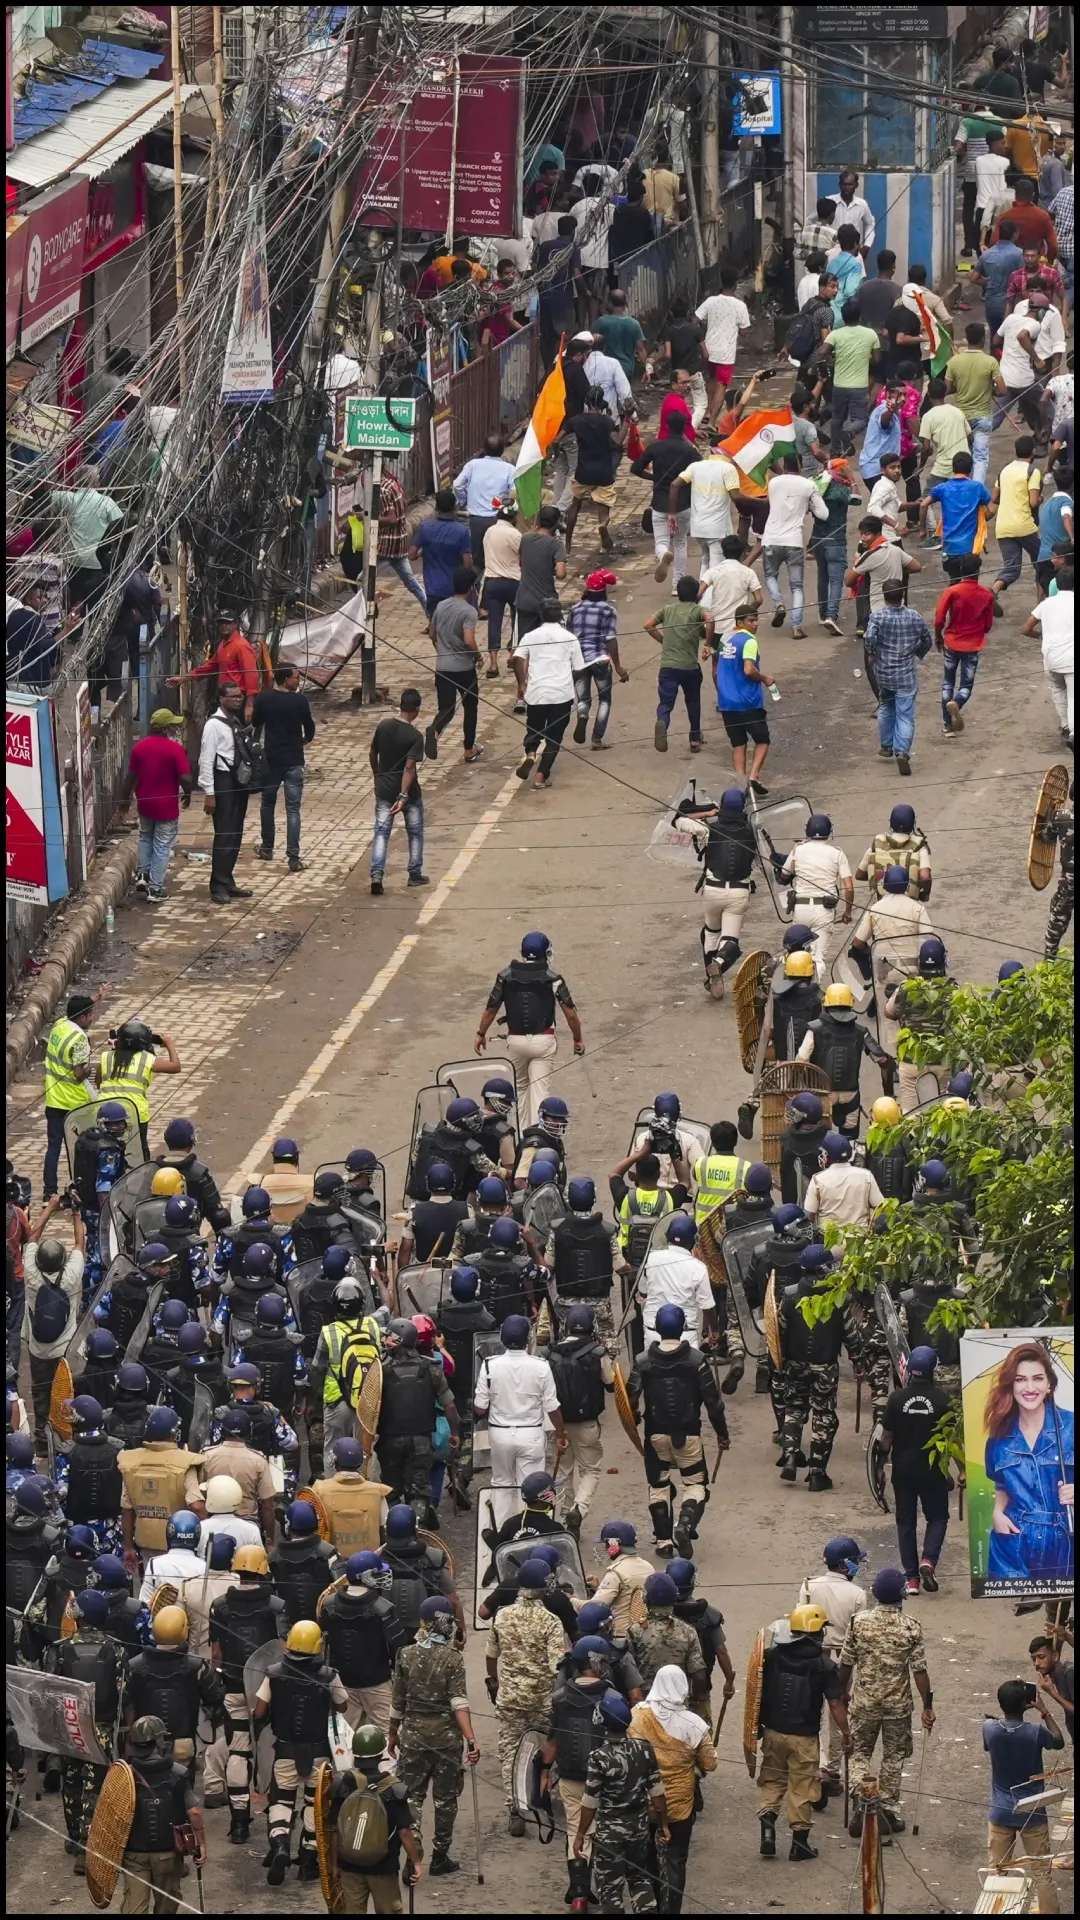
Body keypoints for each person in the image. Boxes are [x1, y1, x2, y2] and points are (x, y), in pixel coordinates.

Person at [839, 1567, 936, 1837]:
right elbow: (919, 1671)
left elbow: (846, 1663)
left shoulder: (858, 1622)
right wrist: (927, 1706)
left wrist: (841, 1693)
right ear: (902, 1594)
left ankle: (864, 1798)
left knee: (859, 1754)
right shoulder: (910, 1627)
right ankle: (886, 1810)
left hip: (864, 1704)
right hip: (897, 1706)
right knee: (893, 1758)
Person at [252, 1618, 350, 1884]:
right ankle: (308, 1862)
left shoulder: (273, 1672)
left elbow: (259, 1711)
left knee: (281, 1802)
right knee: (313, 1804)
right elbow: (343, 1706)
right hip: (319, 1753)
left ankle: (281, 1845)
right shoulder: (330, 1675)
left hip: (285, 1751)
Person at [627, 1304, 727, 1557]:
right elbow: (713, 1402)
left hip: (655, 1435)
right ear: (683, 1327)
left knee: (658, 1486)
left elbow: (628, 1397)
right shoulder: (697, 1361)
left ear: (657, 1328)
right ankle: (684, 1524)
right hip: (689, 1434)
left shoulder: (642, 1361)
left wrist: (634, 1417)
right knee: (695, 1484)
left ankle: (663, 1542)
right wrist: (722, 1433)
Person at [757, 1603, 850, 1864]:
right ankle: (799, 1846)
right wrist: (846, 1733)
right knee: (801, 1787)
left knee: (773, 1781)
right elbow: (835, 1704)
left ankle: (767, 1833)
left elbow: (758, 1692)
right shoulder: (824, 1666)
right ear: (815, 1631)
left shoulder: (773, 1656)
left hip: (773, 1732)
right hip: (804, 1738)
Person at [983, 1341, 1074, 1586]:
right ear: (1011, 1385)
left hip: (1066, 1541)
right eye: (1021, 1379)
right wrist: (997, 1513)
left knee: (1060, 1613)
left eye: (1038, 1378)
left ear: (1050, 1384)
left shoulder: (1072, 1427)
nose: (1030, 1387)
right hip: (1014, 1544)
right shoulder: (998, 1438)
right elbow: (1002, 1484)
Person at [487, 1555, 566, 1832]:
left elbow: (490, 1655)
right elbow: (558, 1665)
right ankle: (542, 1801)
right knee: (545, 1752)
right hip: (541, 1699)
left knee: (510, 1752)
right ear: (544, 1587)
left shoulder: (502, 1616)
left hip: (510, 1698)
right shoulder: (551, 1621)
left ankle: (515, 1811)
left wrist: (495, 1682)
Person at [573, 1686, 669, 1909]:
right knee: (641, 1880)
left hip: (610, 1836)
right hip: (640, 1830)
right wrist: (663, 1825)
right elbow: (657, 1793)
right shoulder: (644, 1750)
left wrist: (580, 1835)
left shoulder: (599, 1758)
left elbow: (590, 1802)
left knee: (610, 1889)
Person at [475, 931, 583, 1129]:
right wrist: (577, 1039)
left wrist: (481, 1034)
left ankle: (522, 1135)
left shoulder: (505, 975)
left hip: (515, 1041)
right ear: (546, 953)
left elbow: (491, 1009)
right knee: (539, 1090)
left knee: (520, 1090)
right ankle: (539, 1136)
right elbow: (571, 1015)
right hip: (543, 1040)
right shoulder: (553, 978)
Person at [629, 1665, 716, 1910]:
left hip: (642, 1803)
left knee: (645, 1861)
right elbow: (710, 1762)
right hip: (678, 1806)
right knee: (675, 1861)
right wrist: (695, 1768)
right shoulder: (694, 1724)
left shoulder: (637, 1715)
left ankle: (649, 1906)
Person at [982, 1679, 1065, 1912]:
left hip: (1000, 1812)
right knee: (1041, 1873)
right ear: (1026, 1705)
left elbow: (990, 1744)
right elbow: (1058, 1741)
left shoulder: (989, 1728)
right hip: (1032, 1811)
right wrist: (1044, 1711)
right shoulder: (1034, 1732)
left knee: (996, 1871)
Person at [474, 1316, 564, 1529]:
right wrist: (561, 1433)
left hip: (500, 1434)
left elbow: (480, 1407)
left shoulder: (489, 1366)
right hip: (531, 1433)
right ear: (528, 1339)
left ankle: (502, 1531)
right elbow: (552, 1407)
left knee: (501, 1484)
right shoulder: (541, 1367)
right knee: (533, 1489)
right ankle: (529, 1532)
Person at [796, 1538, 869, 1797]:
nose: (858, 1565)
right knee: (838, 1712)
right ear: (844, 1563)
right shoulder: (858, 1594)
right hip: (842, 1660)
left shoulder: (808, 1586)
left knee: (809, 1711)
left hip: (811, 1656)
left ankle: (817, 1764)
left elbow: (799, 1624)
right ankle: (834, 1770)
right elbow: (859, 1635)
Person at [880, 1347, 954, 1595]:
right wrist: (962, 1470)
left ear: (909, 1369)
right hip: (933, 1470)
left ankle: (911, 1579)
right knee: (938, 1518)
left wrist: (879, 1468)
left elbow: (886, 1437)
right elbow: (953, 1440)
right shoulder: (944, 1401)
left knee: (906, 1523)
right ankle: (928, 1561)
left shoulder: (896, 1399)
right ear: (934, 1370)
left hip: (903, 1471)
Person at [673, 787, 761, 995]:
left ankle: (713, 980)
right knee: (729, 940)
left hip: (712, 890)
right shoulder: (753, 832)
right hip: (739, 893)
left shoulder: (707, 829)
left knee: (711, 933)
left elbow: (677, 819)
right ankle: (719, 963)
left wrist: (708, 812)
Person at [114, 709, 193, 902]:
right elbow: (185, 777)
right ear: (166, 728)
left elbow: (130, 778)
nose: (176, 728)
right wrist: (188, 791)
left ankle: (143, 876)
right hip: (166, 807)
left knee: (145, 838)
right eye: (173, 725)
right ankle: (156, 889)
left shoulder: (139, 748)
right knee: (162, 845)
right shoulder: (175, 749)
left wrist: (124, 801)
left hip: (145, 804)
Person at [511, 597, 586, 788]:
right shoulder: (570, 638)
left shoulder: (530, 636)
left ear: (541, 615)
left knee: (533, 729)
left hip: (537, 692)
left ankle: (530, 753)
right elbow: (579, 668)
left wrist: (521, 684)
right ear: (561, 615)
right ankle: (540, 777)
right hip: (562, 694)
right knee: (554, 737)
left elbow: (517, 659)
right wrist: (569, 681)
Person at [24, 1213, 87, 1435]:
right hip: (64, 1350)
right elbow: (80, 1243)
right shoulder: (71, 1277)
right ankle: (64, 1435)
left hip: (37, 1350)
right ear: (63, 1261)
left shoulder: (31, 1275)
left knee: (40, 1394)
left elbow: (31, 1238)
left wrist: (50, 1208)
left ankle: (42, 1438)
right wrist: (76, 1215)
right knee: (65, 1394)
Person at [863, 580, 934, 775]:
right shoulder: (914, 616)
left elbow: (869, 638)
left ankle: (886, 745)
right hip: (906, 675)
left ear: (884, 596)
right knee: (905, 714)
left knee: (886, 705)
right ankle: (901, 751)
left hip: (884, 673)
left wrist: (871, 653)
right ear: (902, 595)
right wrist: (916, 652)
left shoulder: (877, 616)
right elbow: (927, 640)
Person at [251, 663, 315, 873]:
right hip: (294, 760)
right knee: (293, 809)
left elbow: (256, 721)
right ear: (286, 679)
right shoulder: (299, 701)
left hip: (271, 760)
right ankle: (293, 858)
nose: (298, 680)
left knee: (267, 804)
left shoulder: (264, 698)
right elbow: (310, 726)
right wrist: (305, 740)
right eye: (296, 677)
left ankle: (267, 847)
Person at [760, 453, 830, 640]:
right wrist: (808, 505)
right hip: (794, 542)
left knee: (770, 575)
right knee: (797, 586)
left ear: (784, 463)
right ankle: (797, 627)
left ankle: (779, 605)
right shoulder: (808, 485)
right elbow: (823, 514)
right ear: (800, 464)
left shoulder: (774, 483)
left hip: (771, 539)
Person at [197, 681, 255, 905]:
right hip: (222, 784)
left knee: (235, 834)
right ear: (222, 699)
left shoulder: (235, 721)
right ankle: (218, 885)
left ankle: (228, 880)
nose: (238, 699)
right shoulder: (213, 725)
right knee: (224, 836)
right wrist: (210, 793)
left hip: (237, 782)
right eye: (233, 696)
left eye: (240, 696)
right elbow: (206, 759)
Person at [367, 687, 427, 896]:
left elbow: (373, 753)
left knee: (381, 832)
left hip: (383, 790)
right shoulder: (415, 736)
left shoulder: (383, 725)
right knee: (415, 832)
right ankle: (414, 873)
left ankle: (376, 874)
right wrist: (403, 796)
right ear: (416, 709)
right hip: (409, 793)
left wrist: (377, 776)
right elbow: (409, 768)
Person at [631, 413, 702, 585]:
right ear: (684, 428)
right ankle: (678, 584)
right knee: (680, 543)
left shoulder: (656, 447)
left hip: (660, 503)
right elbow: (701, 469)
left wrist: (654, 478)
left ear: (667, 426)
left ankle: (663, 554)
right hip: (683, 504)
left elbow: (635, 468)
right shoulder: (690, 451)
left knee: (661, 541)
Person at [779, 813, 854, 972]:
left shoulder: (798, 850)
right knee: (818, 957)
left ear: (807, 831)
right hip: (824, 912)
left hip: (800, 909)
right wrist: (847, 912)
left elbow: (784, 875)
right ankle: (814, 991)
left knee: (797, 955)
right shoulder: (837, 853)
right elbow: (849, 887)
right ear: (830, 832)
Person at [644, 575, 708, 754]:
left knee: (666, 701)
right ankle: (695, 739)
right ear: (697, 593)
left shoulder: (667, 609)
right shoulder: (697, 610)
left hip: (668, 667)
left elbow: (648, 624)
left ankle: (663, 721)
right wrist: (708, 641)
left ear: (678, 593)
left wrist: (663, 641)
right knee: (693, 701)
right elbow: (707, 624)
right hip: (689, 667)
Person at [426, 566, 483, 765]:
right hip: (464, 668)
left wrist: (441, 649)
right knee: (470, 707)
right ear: (471, 588)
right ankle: (469, 748)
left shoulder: (441, 606)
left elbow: (432, 633)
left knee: (446, 709)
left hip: (442, 666)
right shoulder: (469, 611)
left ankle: (433, 731)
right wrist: (478, 656)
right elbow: (468, 639)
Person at [934, 554, 996, 737]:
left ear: (961, 571)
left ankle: (948, 726)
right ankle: (958, 703)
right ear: (978, 571)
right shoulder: (986, 594)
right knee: (966, 686)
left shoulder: (952, 591)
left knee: (948, 682)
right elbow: (988, 625)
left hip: (952, 642)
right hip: (973, 645)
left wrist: (938, 636)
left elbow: (939, 619)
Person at [41, 991, 96, 1198]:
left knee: (53, 1148)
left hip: (54, 1099)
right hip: (75, 1102)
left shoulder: (59, 1026)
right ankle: (82, 1188)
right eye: (90, 1014)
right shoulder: (80, 1039)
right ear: (82, 1017)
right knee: (83, 1147)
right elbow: (79, 1073)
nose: (92, 1018)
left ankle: (49, 1192)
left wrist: (95, 997)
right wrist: (89, 1066)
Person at [566, 569, 628, 750]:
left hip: (579, 661)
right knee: (605, 700)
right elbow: (610, 639)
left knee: (584, 698)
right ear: (603, 592)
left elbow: (569, 636)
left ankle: (583, 715)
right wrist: (618, 666)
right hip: (600, 660)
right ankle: (596, 739)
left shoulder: (575, 609)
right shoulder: (608, 610)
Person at [561, 389, 627, 555]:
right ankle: (603, 527)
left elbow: (557, 437)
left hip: (583, 471)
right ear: (601, 403)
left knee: (575, 505)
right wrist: (627, 422)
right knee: (603, 506)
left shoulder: (575, 421)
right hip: (604, 472)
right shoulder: (606, 421)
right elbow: (618, 441)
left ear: (586, 402)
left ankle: (568, 543)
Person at [168, 610, 266, 717]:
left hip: (238, 699)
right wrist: (183, 678)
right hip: (226, 697)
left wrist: (249, 704)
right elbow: (210, 666)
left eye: (227, 622)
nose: (224, 625)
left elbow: (251, 674)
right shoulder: (223, 644)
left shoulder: (241, 645)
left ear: (235, 624)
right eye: (221, 622)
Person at [945, 321, 1007, 484]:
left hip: (962, 416)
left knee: (963, 457)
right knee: (980, 457)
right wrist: (989, 389)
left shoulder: (954, 361)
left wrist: (963, 384)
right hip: (983, 416)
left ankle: (962, 488)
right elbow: (1003, 390)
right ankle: (976, 490)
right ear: (982, 339)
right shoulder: (990, 362)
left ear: (966, 338)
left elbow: (948, 389)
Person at [1022, 568, 1074, 745]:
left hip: (1051, 658)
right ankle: (1073, 732)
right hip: (1072, 659)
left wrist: (1040, 636)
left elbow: (1025, 629)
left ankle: (1065, 726)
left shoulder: (1046, 604)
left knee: (1059, 691)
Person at [823, 299, 882, 454]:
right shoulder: (870, 334)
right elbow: (877, 359)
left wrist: (831, 362)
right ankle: (849, 432)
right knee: (860, 420)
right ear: (860, 316)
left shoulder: (835, 334)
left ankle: (835, 449)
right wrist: (865, 357)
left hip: (839, 385)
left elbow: (822, 353)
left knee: (837, 419)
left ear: (843, 317)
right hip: (859, 386)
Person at [696, 267, 751, 422]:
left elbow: (695, 320)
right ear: (735, 284)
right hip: (726, 352)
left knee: (711, 380)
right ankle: (712, 421)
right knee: (722, 386)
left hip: (709, 348)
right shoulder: (740, 306)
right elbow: (745, 331)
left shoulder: (711, 301)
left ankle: (707, 412)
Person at [407, 490, 473, 620]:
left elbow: (411, 555)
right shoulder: (461, 531)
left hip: (433, 588)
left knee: (435, 626)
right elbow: (467, 564)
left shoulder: (424, 528)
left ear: (436, 507)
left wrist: (423, 552)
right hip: (454, 589)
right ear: (454, 508)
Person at [453, 436, 517, 568]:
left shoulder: (472, 465)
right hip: (499, 519)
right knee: (498, 556)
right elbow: (514, 493)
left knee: (477, 558)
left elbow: (457, 485)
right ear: (502, 450)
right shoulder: (509, 469)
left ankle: (477, 585)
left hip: (477, 519)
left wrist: (464, 499)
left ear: (484, 449)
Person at [516, 505, 568, 639]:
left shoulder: (526, 538)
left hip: (525, 599)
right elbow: (561, 574)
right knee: (548, 641)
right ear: (556, 523)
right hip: (547, 602)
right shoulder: (556, 545)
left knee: (524, 642)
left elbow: (521, 560)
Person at [482, 503, 522, 674]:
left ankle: (493, 664)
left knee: (494, 622)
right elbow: (523, 557)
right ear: (514, 517)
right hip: (514, 581)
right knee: (517, 620)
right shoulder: (516, 534)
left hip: (492, 582)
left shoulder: (489, 532)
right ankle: (512, 655)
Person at [662, 298, 707, 425]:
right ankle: (690, 428)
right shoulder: (695, 329)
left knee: (682, 405)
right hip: (694, 372)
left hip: (679, 376)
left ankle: (682, 429)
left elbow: (667, 354)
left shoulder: (669, 331)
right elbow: (705, 353)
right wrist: (703, 367)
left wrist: (655, 360)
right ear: (687, 313)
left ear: (671, 314)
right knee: (700, 405)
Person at [992, 177, 1058, 260]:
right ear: (1033, 196)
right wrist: (1049, 261)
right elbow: (1053, 245)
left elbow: (994, 244)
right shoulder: (1043, 216)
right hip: (1037, 263)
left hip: (1012, 263)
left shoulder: (1005, 217)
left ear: (1015, 195)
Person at [1029, 1635, 1074, 1744]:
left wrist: (1051, 1691)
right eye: (1034, 1659)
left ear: (1055, 1656)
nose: (1037, 1664)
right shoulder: (1057, 1675)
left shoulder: (1070, 1673)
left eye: (1041, 1657)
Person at [1037, 464, 1074, 593]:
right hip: (1060, 561)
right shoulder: (1066, 502)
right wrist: (1072, 538)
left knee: (1045, 593)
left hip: (1043, 558)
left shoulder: (1047, 503)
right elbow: (1066, 516)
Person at [595, 288, 645, 379]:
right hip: (627, 370)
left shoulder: (601, 322)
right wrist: (645, 368)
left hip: (607, 369)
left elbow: (590, 342)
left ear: (610, 303)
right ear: (625, 304)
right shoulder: (634, 324)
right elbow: (640, 349)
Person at [795, 197, 838, 264]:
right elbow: (836, 258)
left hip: (808, 272)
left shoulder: (805, 230)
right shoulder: (834, 234)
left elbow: (796, 254)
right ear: (832, 214)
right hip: (826, 273)